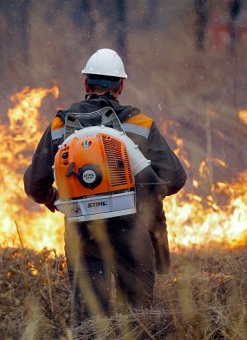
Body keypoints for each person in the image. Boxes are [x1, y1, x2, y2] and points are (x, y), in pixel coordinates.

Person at [24, 48, 186, 321]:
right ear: (121, 86)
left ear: (86, 83)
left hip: (82, 233)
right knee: (137, 321)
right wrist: (142, 191)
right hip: (132, 233)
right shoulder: (140, 125)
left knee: (89, 321)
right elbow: (176, 177)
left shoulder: (59, 125)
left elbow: (35, 184)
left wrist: (52, 196)